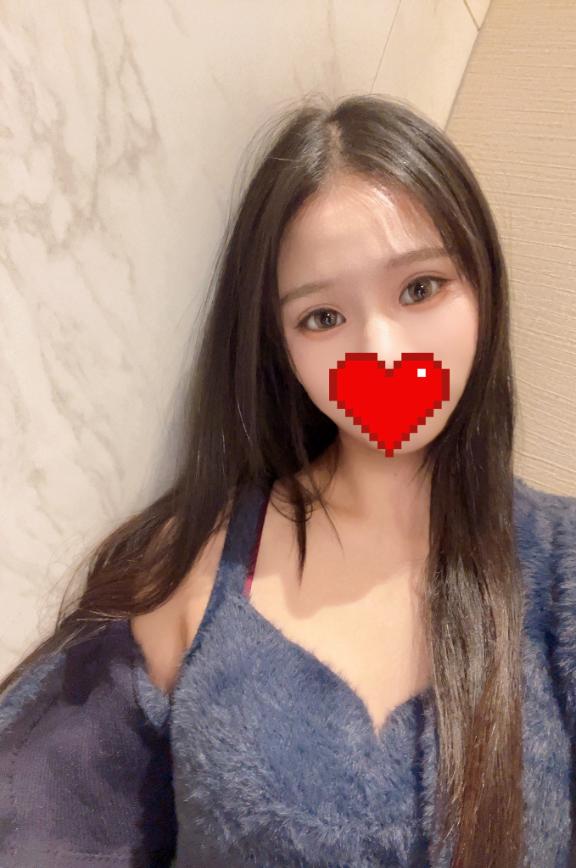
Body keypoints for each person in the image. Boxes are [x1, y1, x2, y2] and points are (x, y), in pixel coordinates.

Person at [1, 93, 575, 868]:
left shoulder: (562, 569)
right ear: (281, 347)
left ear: (483, 285)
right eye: (322, 318)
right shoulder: (194, 564)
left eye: (420, 288)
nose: (382, 352)